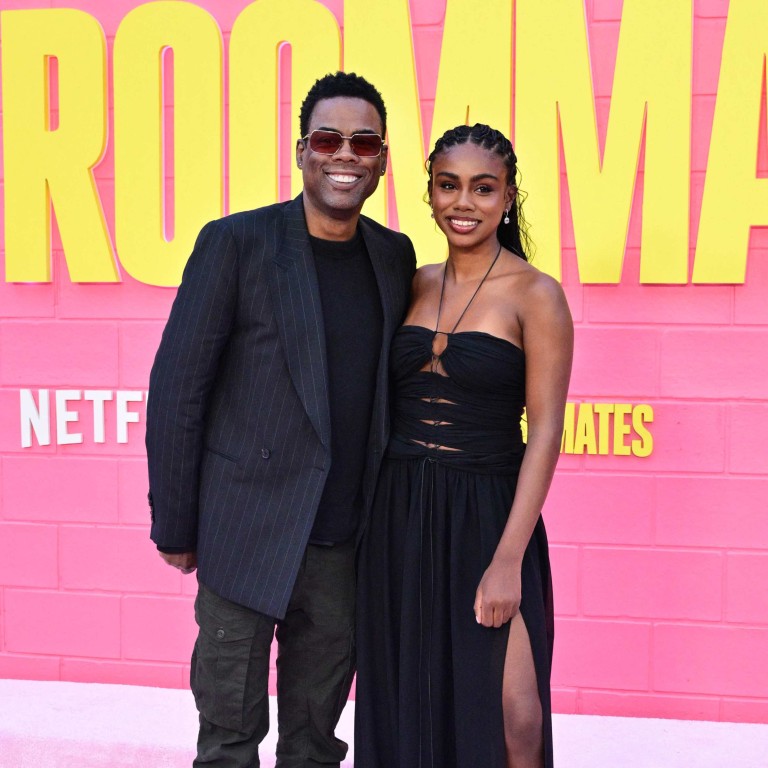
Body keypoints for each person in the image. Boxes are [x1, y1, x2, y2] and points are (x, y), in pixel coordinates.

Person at [145, 71, 416, 768]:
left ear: (384, 158)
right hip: (243, 538)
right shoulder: (237, 244)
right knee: (230, 743)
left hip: (340, 547)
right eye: (328, 138)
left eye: (364, 142)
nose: (345, 154)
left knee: (315, 745)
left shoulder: (393, 257)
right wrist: (175, 524)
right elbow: (179, 390)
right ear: (302, 151)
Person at [355, 123, 573, 768]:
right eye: (448, 186)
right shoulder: (412, 283)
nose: (464, 203)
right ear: (428, 193)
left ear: (508, 198)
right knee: (409, 698)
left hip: (489, 515)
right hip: (398, 515)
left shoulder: (537, 295)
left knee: (517, 717)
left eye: (483, 188)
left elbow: (548, 434)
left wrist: (508, 560)